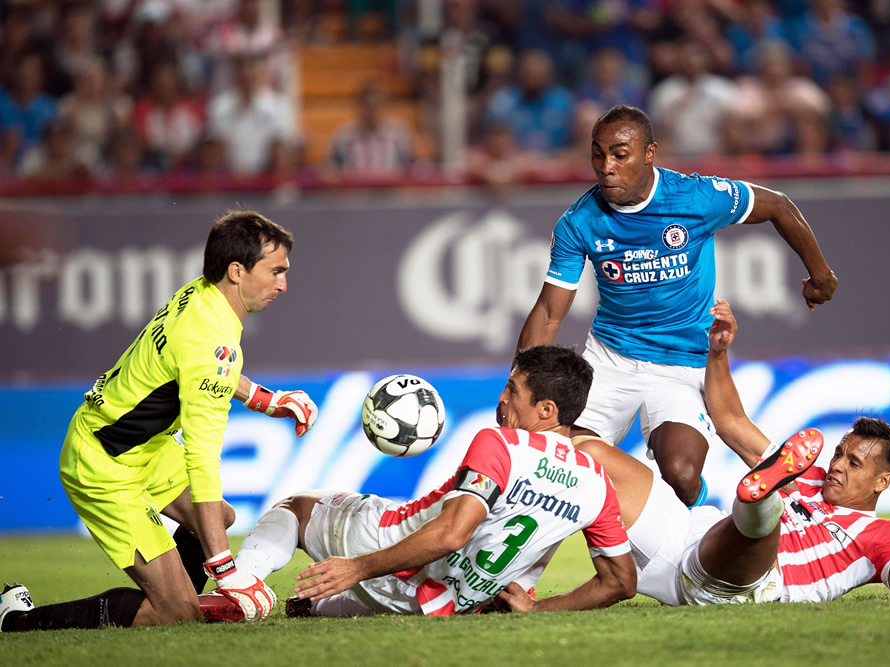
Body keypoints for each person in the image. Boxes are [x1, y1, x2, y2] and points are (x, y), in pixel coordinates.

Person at [499, 301, 890, 610]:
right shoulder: (811, 475)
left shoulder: (880, 535)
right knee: (587, 452)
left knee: (760, 520)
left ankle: (759, 501)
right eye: (840, 453)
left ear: (883, 483)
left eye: (854, 463)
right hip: (682, 538)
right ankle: (498, 565)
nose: (838, 465)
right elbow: (731, 420)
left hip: (747, 582)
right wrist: (717, 352)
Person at [0, 210, 320, 633]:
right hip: (103, 464)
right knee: (175, 611)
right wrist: (226, 570)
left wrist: (264, 398)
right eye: (276, 271)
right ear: (237, 271)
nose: (283, 283)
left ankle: (182, 598)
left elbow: (203, 368)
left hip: (142, 448)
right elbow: (203, 462)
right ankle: (16, 620)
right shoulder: (214, 340)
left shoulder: (202, 295)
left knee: (216, 520)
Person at [515, 104, 838, 508]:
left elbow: (777, 204)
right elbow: (549, 313)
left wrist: (820, 274)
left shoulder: (695, 198)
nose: (606, 167)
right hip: (609, 361)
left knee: (682, 475)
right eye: (598, 154)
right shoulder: (579, 222)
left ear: (649, 153)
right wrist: (519, 385)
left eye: (620, 154)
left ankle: (708, 524)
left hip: (683, 365)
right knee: (563, 470)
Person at [203, 345, 635, 621]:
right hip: (452, 600)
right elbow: (620, 582)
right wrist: (537, 608)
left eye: (512, 389)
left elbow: (450, 533)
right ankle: (312, 608)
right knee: (414, 584)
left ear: (545, 410)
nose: (501, 398)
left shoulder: (501, 445)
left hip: (386, 550)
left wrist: (358, 567)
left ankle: (240, 591)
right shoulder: (596, 482)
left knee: (297, 506)